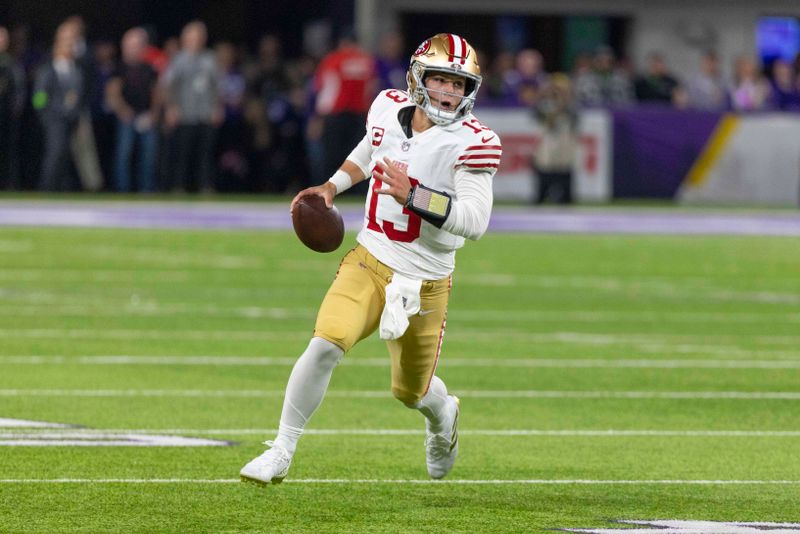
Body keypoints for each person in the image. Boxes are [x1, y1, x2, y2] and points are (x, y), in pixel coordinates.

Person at [240, 33, 502, 485]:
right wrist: (332, 186)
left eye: (458, 85)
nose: (448, 92)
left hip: (424, 280)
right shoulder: (386, 106)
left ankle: (444, 417)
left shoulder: (472, 141)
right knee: (326, 343)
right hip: (371, 257)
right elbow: (371, 148)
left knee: (412, 392)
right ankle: (281, 448)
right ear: (418, 80)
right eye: (439, 80)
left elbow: (475, 221)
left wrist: (415, 195)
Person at [164, 21, 222, 192]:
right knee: (182, 153)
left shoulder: (210, 59)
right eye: (192, 37)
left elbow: (216, 86)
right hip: (184, 113)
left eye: (198, 37)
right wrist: (171, 107)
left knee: (206, 153)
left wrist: (217, 108)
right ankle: (178, 186)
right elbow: (169, 86)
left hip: (205, 113)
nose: (195, 40)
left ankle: (205, 186)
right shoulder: (178, 60)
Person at [106, 27, 159, 192]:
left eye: (136, 45)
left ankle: (147, 189)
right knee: (123, 154)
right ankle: (122, 189)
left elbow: (157, 92)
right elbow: (112, 93)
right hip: (126, 117)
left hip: (146, 116)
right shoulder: (118, 68)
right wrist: (123, 111)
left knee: (149, 155)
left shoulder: (149, 68)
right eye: (129, 45)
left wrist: (153, 114)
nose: (132, 49)